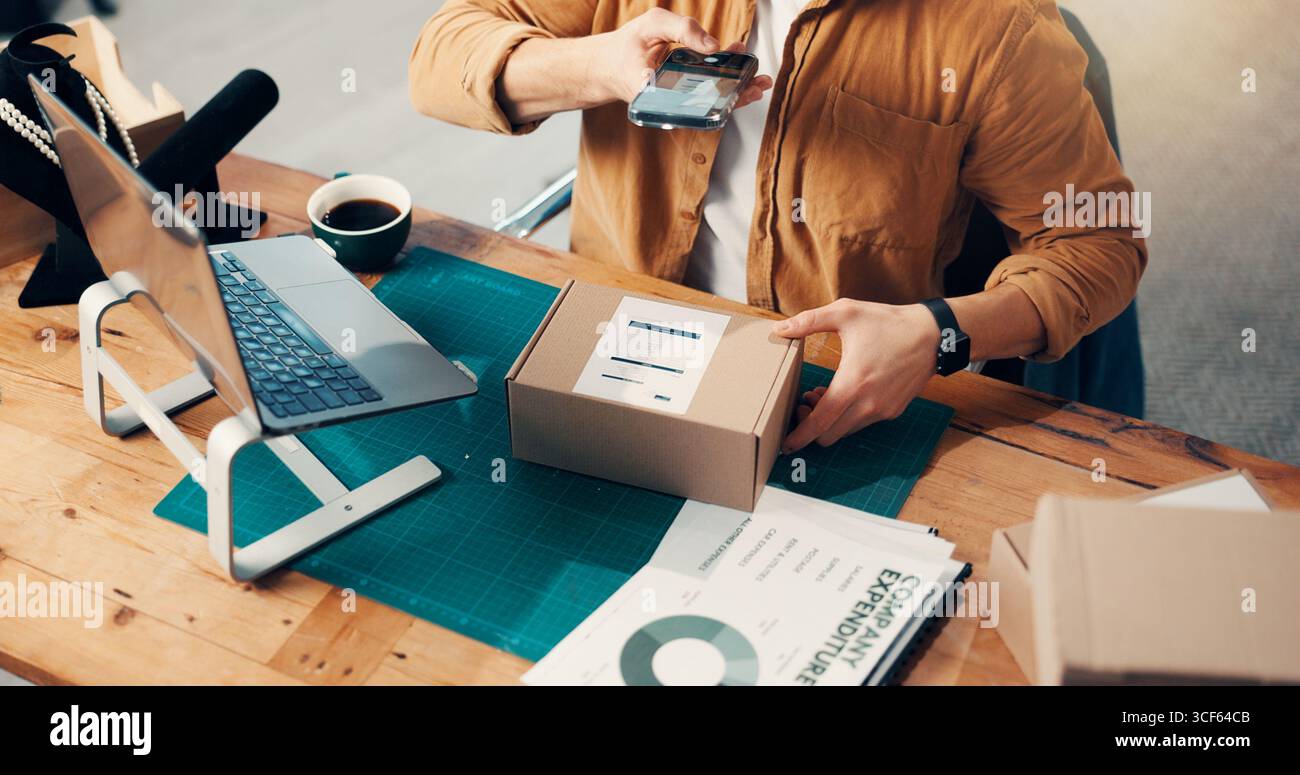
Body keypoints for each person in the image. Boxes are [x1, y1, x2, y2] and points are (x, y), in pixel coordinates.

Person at [408, 1, 1147, 453]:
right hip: (615, 351)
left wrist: (940, 332)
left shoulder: (996, 27)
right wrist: (598, 65)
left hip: (827, 407)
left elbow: (1097, 242)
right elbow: (439, 57)